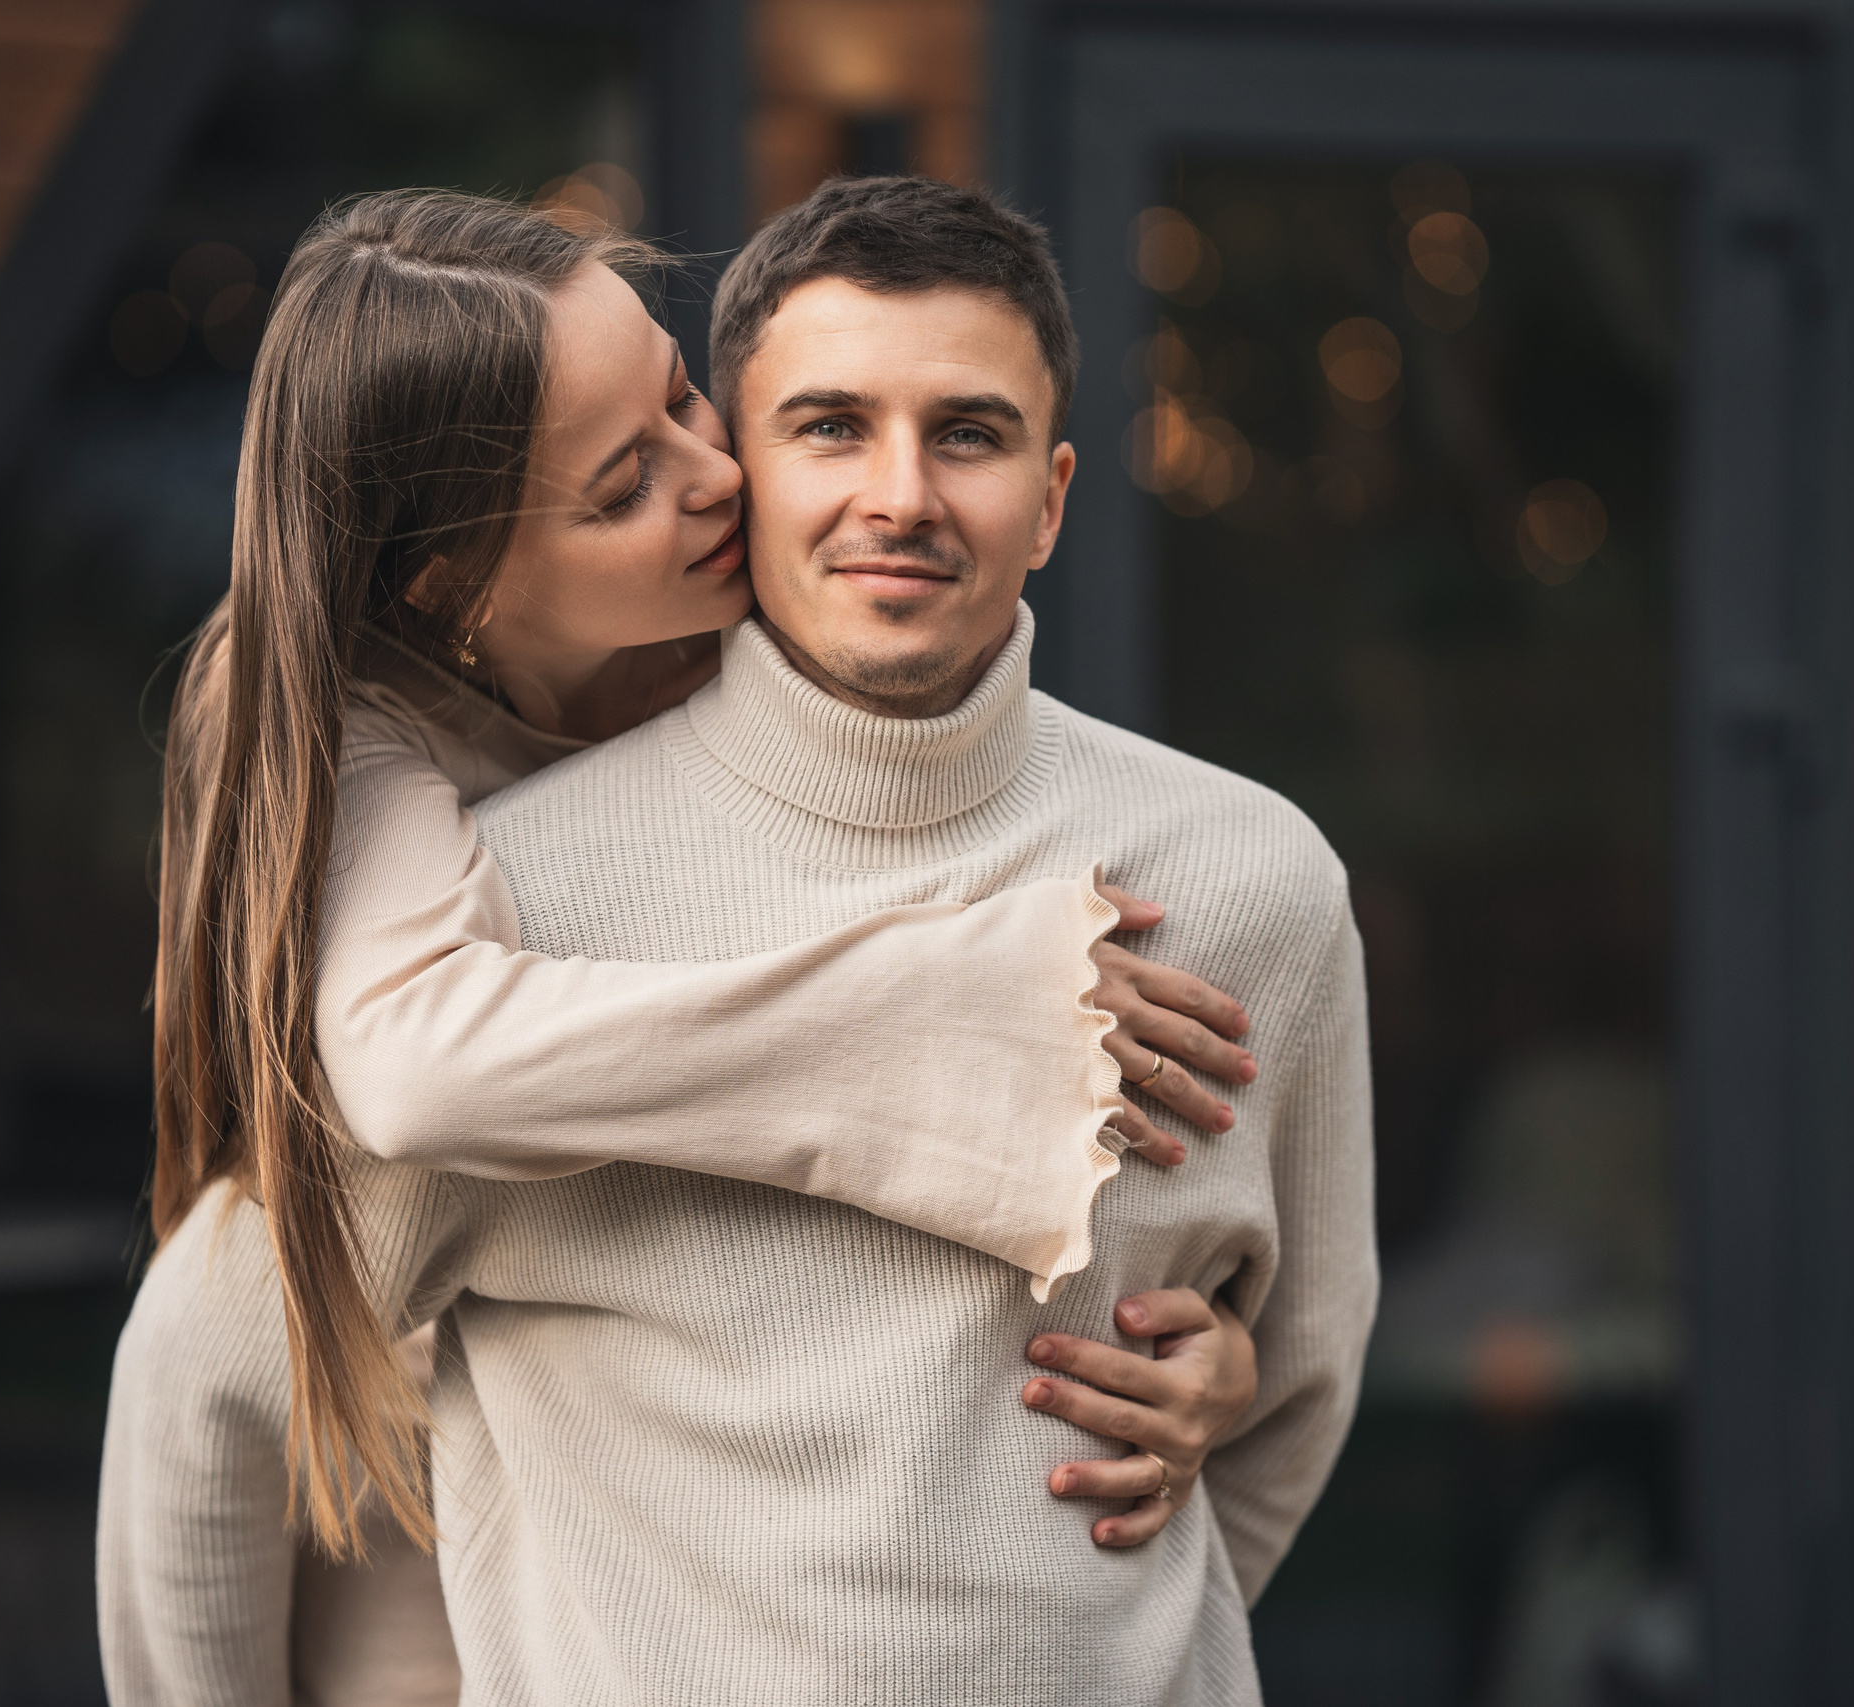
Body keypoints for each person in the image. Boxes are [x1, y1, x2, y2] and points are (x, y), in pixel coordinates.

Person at [99, 191, 1274, 1706]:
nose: (721, 475)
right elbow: (403, 1072)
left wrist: (1217, 1378)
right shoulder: (352, 727)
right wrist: (925, 1010)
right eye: (624, 487)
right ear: (456, 588)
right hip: (400, 1483)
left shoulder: (750, 645)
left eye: (680, 396)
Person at [443, 174, 1377, 1702]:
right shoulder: (497, 909)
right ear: (735, 473)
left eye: (968, 433)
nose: (902, 497)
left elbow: (1299, 1387)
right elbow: (225, 1397)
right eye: (828, 427)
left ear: (1056, 496)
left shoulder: (1252, 881)